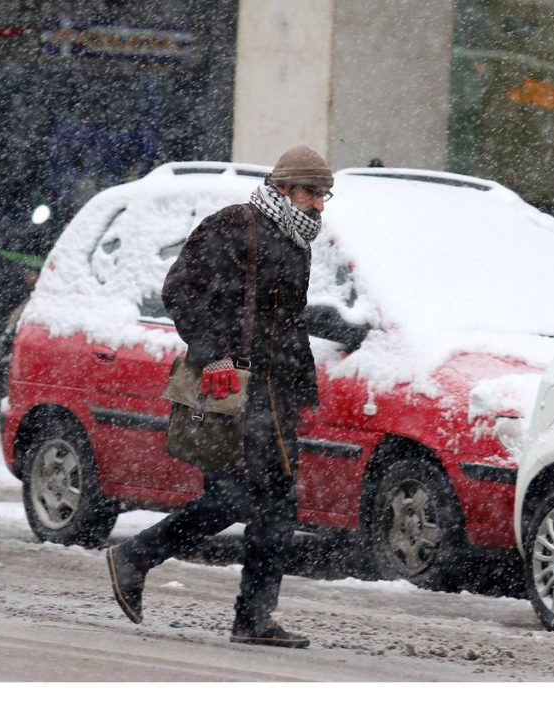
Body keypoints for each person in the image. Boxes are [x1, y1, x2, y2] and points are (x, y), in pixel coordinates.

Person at [106, 146, 332, 648]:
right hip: (233, 387)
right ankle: (141, 561)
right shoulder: (235, 224)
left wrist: (299, 387)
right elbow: (181, 290)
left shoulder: (296, 239)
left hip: (273, 393)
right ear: (282, 189)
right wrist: (214, 356)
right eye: (313, 192)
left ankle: (249, 616)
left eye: (325, 195)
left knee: (267, 500)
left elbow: (283, 323)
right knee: (247, 499)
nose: (321, 203)